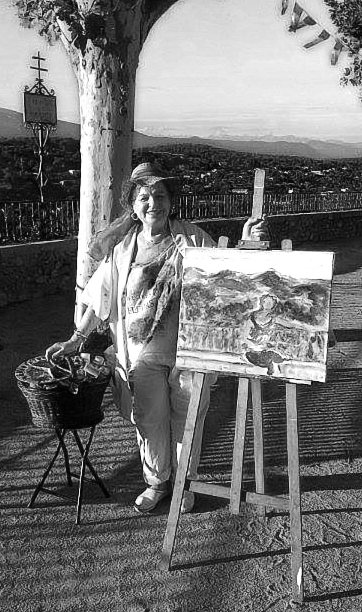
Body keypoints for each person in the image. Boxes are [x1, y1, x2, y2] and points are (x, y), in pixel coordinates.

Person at [45, 162, 268, 514]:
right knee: (149, 421)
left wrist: (248, 239)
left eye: (160, 195)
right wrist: (76, 339)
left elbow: (227, 273)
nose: (153, 203)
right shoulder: (122, 250)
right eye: (145, 197)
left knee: (187, 420)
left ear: (171, 201)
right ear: (134, 205)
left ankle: (184, 484)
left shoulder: (192, 238)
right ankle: (158, 483)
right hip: (140, 355)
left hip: (188, 352)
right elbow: (98, 298)